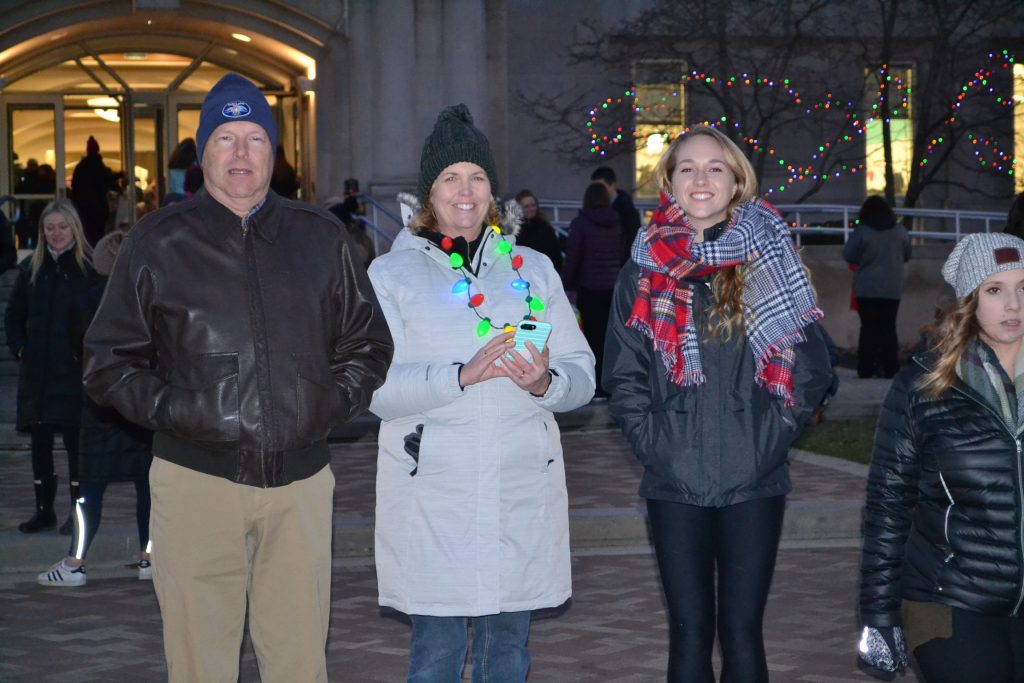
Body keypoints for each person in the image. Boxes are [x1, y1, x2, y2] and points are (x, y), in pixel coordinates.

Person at [82, 73, 394, 682]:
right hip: (195, 481)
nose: (242, 153)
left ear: (275, 153)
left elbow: (368, 343)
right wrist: (180, 411)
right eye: (226, 138)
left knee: (300, 662)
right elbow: (107, 362)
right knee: (201, 663)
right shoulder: (156, 242)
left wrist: (325, 406)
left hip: (300, 486)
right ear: (203, 155)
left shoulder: (321, 238)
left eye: (255, 137)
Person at [368, 104, 595, 682]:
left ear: (493, 191)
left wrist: (545, 382)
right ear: (429, 195)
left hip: (520, 488)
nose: (464, 192)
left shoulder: (535, 270)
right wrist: (460, 377)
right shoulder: (389, 277)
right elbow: (370, 391)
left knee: (508, 655)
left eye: (477, 177)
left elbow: (583, 375)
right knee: (438, 655)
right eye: (450, 178)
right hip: (434, 496)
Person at [603, 125, 835, 682]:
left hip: (754, 478)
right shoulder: (642, 266)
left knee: (741, 635)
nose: (700, 178)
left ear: (736, 181)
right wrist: (657, 444)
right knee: (687, 639)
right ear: (670, 182)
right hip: (674, 477)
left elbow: (812, 368)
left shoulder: (771, 257)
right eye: (687, 168)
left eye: (714, 167)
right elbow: (623, 375)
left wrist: (769, 435)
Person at [858, 232, 1024, 682]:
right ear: (969, 300)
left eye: (1023, 288)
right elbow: (888, 505)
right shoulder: (923, 387)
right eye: (995, 290)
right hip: (947, 598)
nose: (1014, 305)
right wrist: (879, 613)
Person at [36, 230, 154, 587]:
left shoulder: (86, 301)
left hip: (101, 402)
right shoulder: (149, 300)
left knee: (90, 488)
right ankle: (149, 556)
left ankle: (76, 561)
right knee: (147, 486)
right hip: (142, 403)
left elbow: (77, 349)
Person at [5, 200, 96, 535]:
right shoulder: (32, 270)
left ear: (74, 227)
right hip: (38, 375)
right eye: (49, 227)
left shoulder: (89, 269)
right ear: (42, 232)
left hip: (73, 375)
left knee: (76, 447)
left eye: (62, 226)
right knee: (40, 445)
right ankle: (44, 511)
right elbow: (13, 316)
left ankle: (78, 512)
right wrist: (21, 349)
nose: (56, 234)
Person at [562, 181, 628, 395]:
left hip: (589, 288)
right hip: (612, 288)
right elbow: (621, 254)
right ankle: (611, 382)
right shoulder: (616, 223)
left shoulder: (581, 224)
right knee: (610, 338)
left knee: (591, 338)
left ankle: (595, 383)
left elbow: (573, 258)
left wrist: (567, 285)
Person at [843, 195, 911, 378]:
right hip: (892, 288)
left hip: (866, 288)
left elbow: (849, 255)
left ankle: (866, 368)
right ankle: (890, 367)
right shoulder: (900, 231)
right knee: (889, 328)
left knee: (868, 329)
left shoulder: (862, 232)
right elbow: (907, 255)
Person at [70, 136, 116, 245]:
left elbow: (75, 186)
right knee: (97, 234)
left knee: (87, 233)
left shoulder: (81, 167)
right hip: (97, 207)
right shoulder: (98, 165)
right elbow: (108, 180)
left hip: (84, 207)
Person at [591, 165, 642, 245]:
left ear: (612, 184)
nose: (597, 191)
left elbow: (632, 240)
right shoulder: (593, 208)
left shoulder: (627, 211)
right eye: (594, 188)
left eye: (601, 187)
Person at [514, 189, 563, 272]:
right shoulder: (512, 229)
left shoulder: (545, 228)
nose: (531, 208)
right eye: (526, 206)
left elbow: (555, 256)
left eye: (533, 205)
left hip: (542, 276)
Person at [163, 137, 198, 206]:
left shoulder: (173, 163)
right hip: (189, 198)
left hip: (174, 197)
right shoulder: (194, 164)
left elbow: (172, 186)